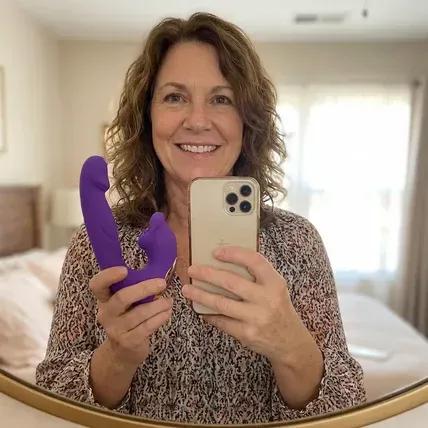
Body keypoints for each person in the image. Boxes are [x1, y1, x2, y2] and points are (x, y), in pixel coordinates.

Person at [36, 12, 366, 424]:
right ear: (147, 116)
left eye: (221, 99)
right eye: (175, 97)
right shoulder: (96, 245)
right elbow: (51, 405)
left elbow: (347, 409)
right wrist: (117, 356)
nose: (196, 120)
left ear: (247, 121)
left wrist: (290, 345)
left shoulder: (298, 242)